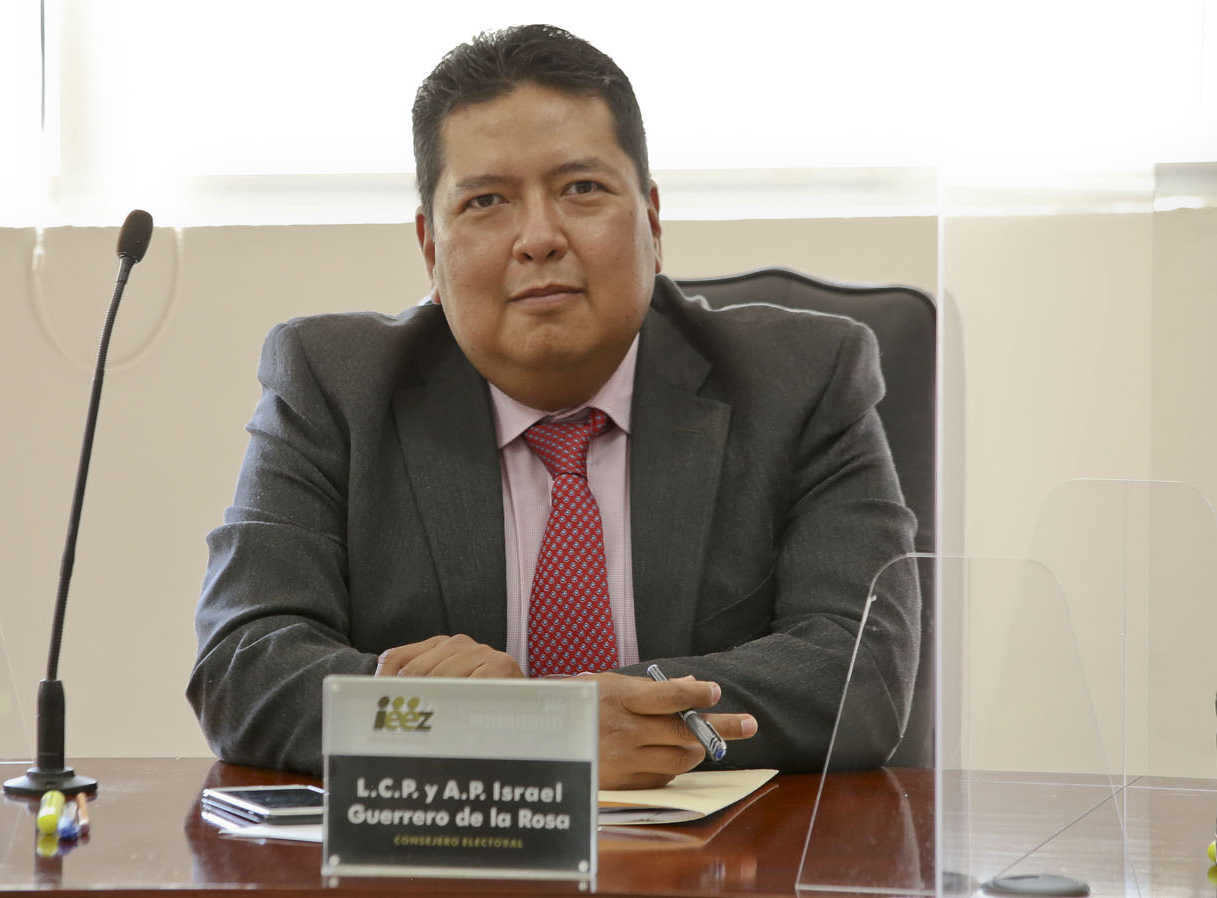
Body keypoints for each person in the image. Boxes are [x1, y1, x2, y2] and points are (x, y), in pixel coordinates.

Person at [189, 24, 919, 789]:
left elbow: (862, 671)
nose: (538, 238)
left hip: (727, 846)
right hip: (445, 849)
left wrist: (587, 718)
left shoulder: (800, 379)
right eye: (486, 201)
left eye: (581, 190)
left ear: (652, 220)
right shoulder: (333, 384)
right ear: (431, 249)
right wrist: (514, 728)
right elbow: (243, 668)